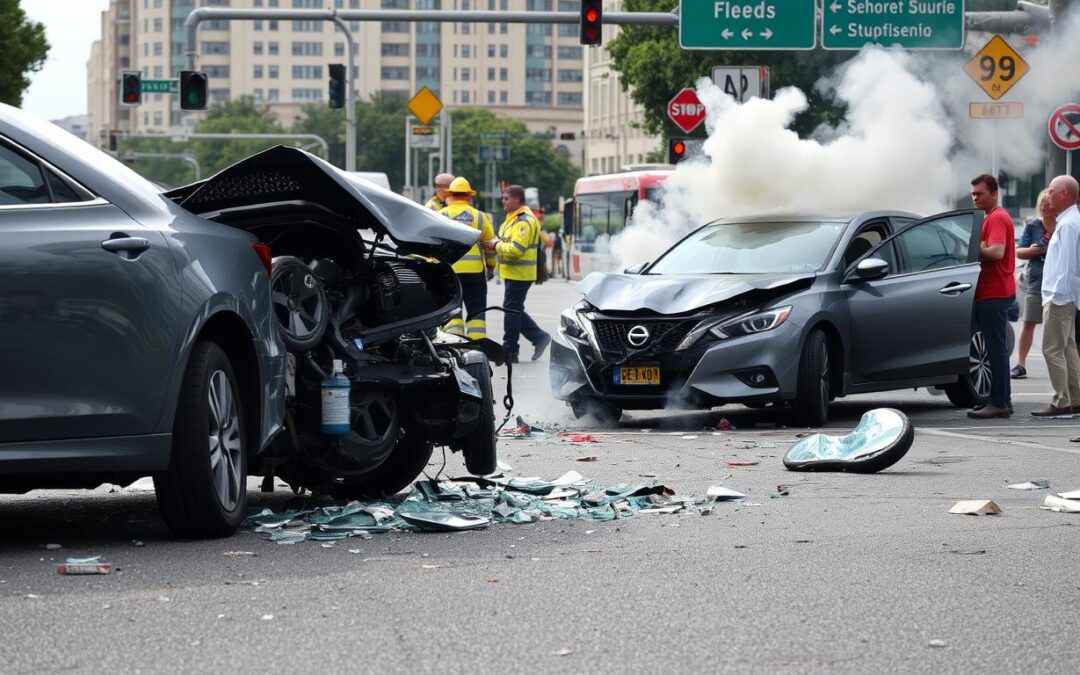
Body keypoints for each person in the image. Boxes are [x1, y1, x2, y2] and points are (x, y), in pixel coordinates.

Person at [481, 184, 551, 364]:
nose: (502, 202)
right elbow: (504, 240)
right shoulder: (512, 219)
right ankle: (538, 338)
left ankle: (510, 349)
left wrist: (495, 246)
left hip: (520, 273)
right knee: (514, 309)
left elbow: (516, 249)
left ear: (517, 199)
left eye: (506, 198)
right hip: (513, 273)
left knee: (511, 310)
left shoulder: (524, 221)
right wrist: (496, 242)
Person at [967, 173, 1016, 419]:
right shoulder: (992, 217)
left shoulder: (996, 218)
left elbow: (996, 252)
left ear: (994, 193)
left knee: (996, 349)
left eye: (980, 193)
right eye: (973, 193)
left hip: (994, 293)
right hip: (995, 291)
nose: (974, 197)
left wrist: (969, 245)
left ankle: (998, 402)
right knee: (995, 348)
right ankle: (1001, 399)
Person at [1033, 175, 1080, 417]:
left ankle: (1061, 401)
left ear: (1064, 194)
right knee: (1067, 349)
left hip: (1060, 297)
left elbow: (1068, 266)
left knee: (1052, 350)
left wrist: (1056, 296)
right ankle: (1073, 397)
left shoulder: (1069, 224)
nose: (1048, 195)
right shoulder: (1069, 220)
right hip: (1065, 296)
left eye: (1052, 191)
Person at [438, 177, 496, 339]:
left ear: (449, 195)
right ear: (469, 196)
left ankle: (455, 344)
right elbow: (490, 245)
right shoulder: (479, 216)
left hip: (449, 272)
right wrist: (491, 266)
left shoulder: (440, 215)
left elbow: (432, 244)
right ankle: (478, 346)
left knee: (452, 312)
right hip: (474, 273)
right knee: (477, 312)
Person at [1011, 190, 1055, 379]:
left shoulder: (1064, 225)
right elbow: (1019, 252)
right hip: (1036, 282)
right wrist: (1033, 250)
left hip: (1057, 284)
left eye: (1048, 202)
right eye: (1042, 203)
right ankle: (1020, 364)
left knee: (1062, 327)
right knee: (1028, 322)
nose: (1045, 206)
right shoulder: (1033, 226)